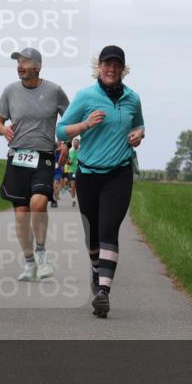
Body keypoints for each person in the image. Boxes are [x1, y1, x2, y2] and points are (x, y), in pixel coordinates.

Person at [57, 45, 144, 318]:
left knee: (109, 229)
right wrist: (84, 125)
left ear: (123, 69)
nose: (111, 69)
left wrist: (138, 135)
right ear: (99, 67)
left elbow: (139, 125)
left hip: (119, 173)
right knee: (92, 234)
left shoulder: (133, 98)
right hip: (89, 174)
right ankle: (96, 269)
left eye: (116, 65)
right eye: (107, 64)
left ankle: (103, 292)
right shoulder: (86, 96)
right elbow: (60, 129)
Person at [0, 47, 70, 281]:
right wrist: (3, 129)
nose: (20, 65)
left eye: (24, 61)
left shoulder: (55, 91)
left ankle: (41, 252)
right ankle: (29, 263)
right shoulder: (10, 91)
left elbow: (69, 119)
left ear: (37, 67)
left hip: (44, 156)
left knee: (38, 203)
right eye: (18, 61)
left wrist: (65, 142)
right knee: (21, 214)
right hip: (17, 156)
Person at [51, 140, 68, 208]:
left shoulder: (63, 150)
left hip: (58, 171)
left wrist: (64, 163)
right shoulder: (52, 149)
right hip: (51, 170)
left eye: (61, 142)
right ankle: (54, 196)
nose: (60, 143)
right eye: (58, 141)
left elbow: (66, 159)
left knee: (55, 184)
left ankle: (55, 199)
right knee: (52, 186)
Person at [66, 137, 80, 207]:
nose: (75, 143)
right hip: (72, 170)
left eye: (77, 142)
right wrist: (69, 162)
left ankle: (79, 198)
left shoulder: (81, 151)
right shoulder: (71, 151)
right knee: (73, 185)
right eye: (74, 142)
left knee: (79, 186)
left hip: (80, 171)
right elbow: (68, 162)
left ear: (79, 143)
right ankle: (73, 200)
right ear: (73, 143)